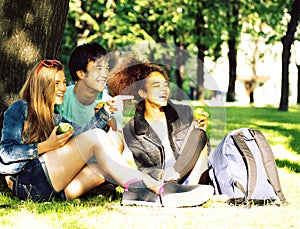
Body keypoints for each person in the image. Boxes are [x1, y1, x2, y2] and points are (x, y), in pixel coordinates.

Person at [0, 59, 213, 208]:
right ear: (41, 86)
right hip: (27, 183)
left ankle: (141, 195)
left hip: (55, 189)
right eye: (56, 83)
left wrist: (105, 112)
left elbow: (82, 135)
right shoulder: (20, 109)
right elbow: (4, 154)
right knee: (97, 139)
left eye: (64, 82)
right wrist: (46, 146)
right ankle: (159, 188)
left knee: (102, 165)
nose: (63, 87)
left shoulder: (56, 117)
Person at [108, 55, 212, 189]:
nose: (164, 90)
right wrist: (162, 175)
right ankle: (175, 186)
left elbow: (200, 154)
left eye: (166, 85)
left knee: (199, 134)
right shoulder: (133, 129)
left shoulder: (183, 113)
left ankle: (182, 185)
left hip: (192, 176)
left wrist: (201, 130)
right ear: (143, 93)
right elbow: (145, 169)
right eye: (157, 85)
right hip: (161, 181)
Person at [55, 43, 123, 197]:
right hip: (66, 165)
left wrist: (110, 123)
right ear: (80, 73)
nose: (105, 74)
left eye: (106, 68)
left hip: (96, 168)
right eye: (98, 69)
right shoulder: (62, 99)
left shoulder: (110, 103)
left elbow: (118, 150)